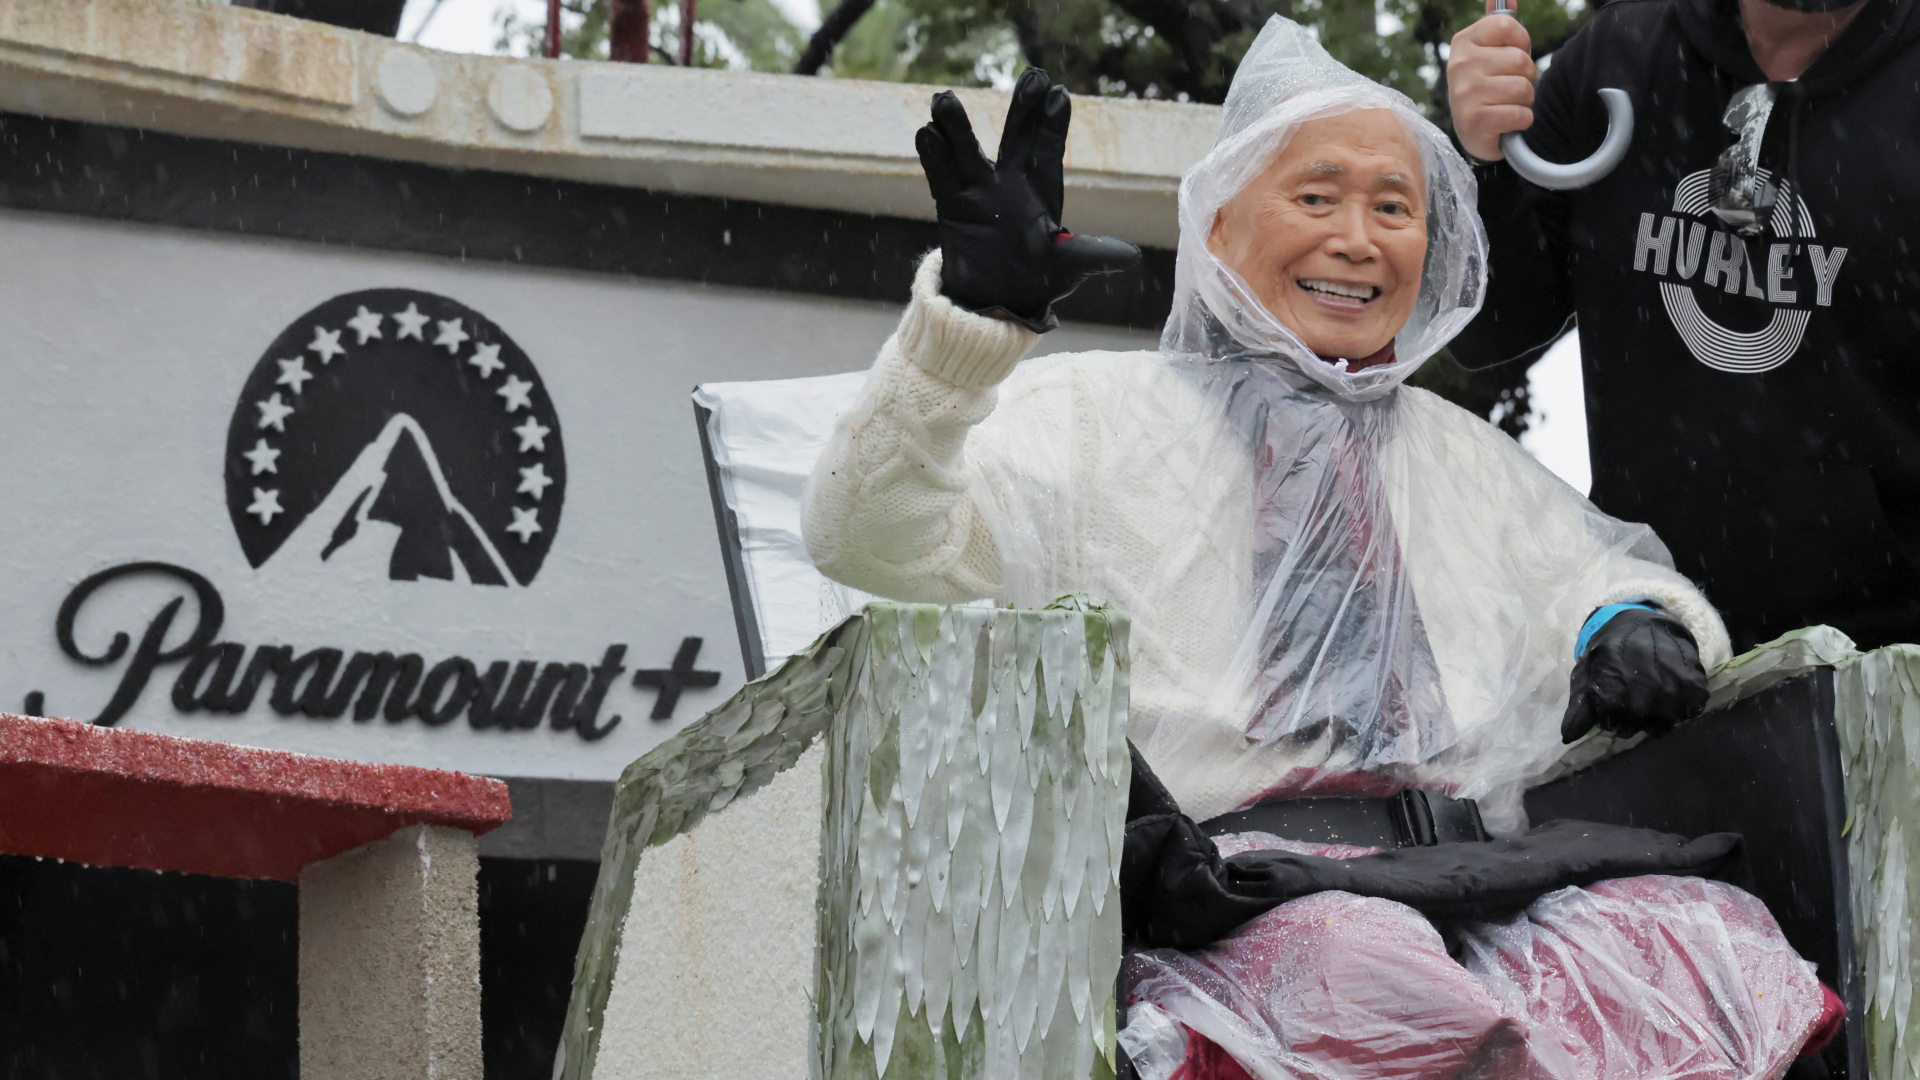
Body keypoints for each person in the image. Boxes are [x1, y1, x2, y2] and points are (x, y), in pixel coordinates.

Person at [802, 17, 1835, 1077]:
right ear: (1218, 227)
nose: (1358, 237)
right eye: (1315, 196)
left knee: (1711, 948)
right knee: (1372, 977)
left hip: (1476, 878)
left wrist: (1632, 624)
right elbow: (868, 534)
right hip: (1234, 900)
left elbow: (1600, 571)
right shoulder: (1092, 419)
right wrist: (963, 332)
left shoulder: (1458, 457)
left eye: (1395, 207)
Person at [1447, 0, 1920, 652]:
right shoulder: (1613, 59)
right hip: (1648, 650)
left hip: (1891, 676)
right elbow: (1489, 333)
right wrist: (1481, 161)